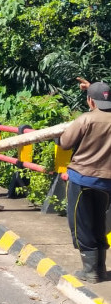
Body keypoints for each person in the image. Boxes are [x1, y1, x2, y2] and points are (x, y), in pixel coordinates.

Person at [59, 80, 111, 283]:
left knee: (81, 226)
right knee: (99, 223)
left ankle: (90, 272)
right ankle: (100, 268)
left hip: (83, 180)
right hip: (108, 182)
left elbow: (65, 143)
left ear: (90, 101)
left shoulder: (86, 119)